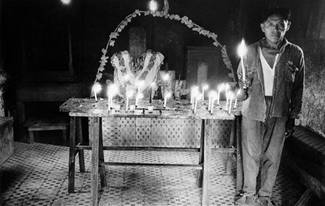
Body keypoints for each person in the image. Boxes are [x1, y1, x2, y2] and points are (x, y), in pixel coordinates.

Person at [236, 8, 305, 206]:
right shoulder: (249, 51)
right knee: (251, 153)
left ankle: (264, 197)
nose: (275, 29)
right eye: (270, 25)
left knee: (272, 156)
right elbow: (241, 86)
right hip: (253, 108)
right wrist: (241, 90)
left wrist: (293, 116)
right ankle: (248, 195)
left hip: (281, 110)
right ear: (262, 27)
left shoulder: (295, 53)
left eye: (280, 25)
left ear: (287, 26)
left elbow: (299, 87)